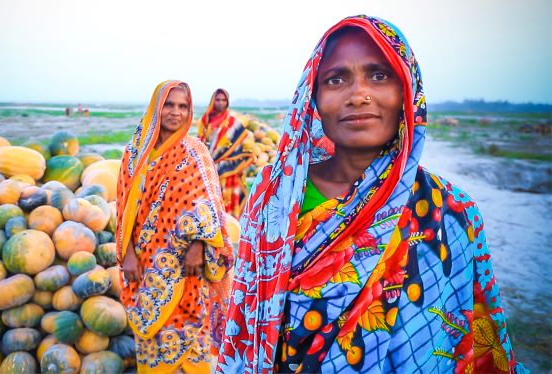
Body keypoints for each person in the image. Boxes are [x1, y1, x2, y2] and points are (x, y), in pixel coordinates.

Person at [217, 15, 527, 373]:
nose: (358, 94)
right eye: (336, 79)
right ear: (313, 97)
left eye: (379, 75)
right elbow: (247, 316)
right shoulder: (275, 195)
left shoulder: (452, 211)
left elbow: (471, 340)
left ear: (407, 92)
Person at [116, 80, 234, 373]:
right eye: (169, 105)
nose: (176, 112)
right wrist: (128, 253)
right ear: (156, 107)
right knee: (152, 335)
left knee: (193, 329)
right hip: (145, 261)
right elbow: (123, 206)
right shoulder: (134, 154)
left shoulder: (196, 152)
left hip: (187, 264)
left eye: (183, 106)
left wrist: (198, 246)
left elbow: (209, 203)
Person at [198, 89, 254, 219]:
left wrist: (234, 162)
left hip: (230, 169)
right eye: (218, 100)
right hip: (209, 167)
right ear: (213, 101)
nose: (221, 103)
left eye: (224, 100)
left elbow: (240, 145)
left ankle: (231, 227)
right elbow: (201, 141)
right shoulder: (205, 120)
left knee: (229, 198)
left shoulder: (233, 122)